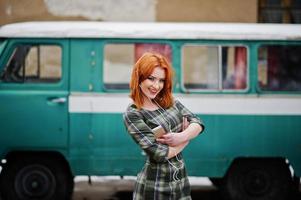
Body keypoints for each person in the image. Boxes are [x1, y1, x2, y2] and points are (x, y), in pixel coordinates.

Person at [123, 52, 205, 200]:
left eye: (161, 80)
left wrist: (181, 136)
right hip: (154, 187)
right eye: (151, 78)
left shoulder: (168, 101)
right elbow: (159, 154)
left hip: (180, 182)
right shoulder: (133, 114)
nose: (156, 86)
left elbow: (198, 123)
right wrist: (187, 140)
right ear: (139, 77)